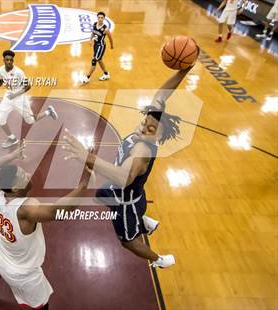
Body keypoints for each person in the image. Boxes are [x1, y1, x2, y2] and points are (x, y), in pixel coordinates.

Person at [63, 62, 198, 269]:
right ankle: (143, 220)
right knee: (99, 195)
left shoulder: (142, 151)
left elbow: (123, 178)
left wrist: (87, 158)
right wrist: (184, 70)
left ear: (158, 137)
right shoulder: (149, 126)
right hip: (130, 194)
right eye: (145, 122)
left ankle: (160, 260)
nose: (144, 127)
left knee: (127, 242)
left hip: (126, 204)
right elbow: (161, 95)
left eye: (151, 129)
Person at [0, 140, 92, 308]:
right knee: (41, 305)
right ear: (15, 188)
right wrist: (86, 182)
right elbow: (56, 212)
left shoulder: (0, 193)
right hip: (24, 274)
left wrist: (13, 156)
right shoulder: (26, 209)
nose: (28, 175)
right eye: (23, 176)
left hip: (2, 255)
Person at [0, 50, 58, 148]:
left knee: (30, 121)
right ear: (3, 60)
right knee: (1, 120)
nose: (9, 62)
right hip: (8, 96)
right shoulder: (1, 70)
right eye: (7, 60)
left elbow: (28, 86)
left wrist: (15, 95)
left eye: (11, 60)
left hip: (20, 98)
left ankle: (48, 112)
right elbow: (0, 81)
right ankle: (12, 138)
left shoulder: (19, 72)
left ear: (13, 60)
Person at [82, 12, 114, 84]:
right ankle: (106, 74)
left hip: (101, 46)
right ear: (97, 18)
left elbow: (110, 38)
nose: (100, 19)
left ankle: (87, 77)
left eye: (101, 18)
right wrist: (90, 40)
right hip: (95, 45)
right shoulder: (94, 24)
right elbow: (93, 32)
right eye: (99, 17)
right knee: (99, 60)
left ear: (104, 18)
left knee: (94, 60)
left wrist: (112, 45)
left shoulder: (105, 29)